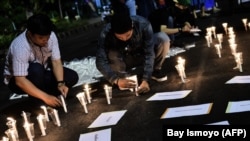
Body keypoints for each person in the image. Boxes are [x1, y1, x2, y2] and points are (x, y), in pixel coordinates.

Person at [3, 14, 79, 107]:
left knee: (71, 77)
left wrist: (60, 83)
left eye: (47, 37)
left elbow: (56, 61)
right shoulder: (20, 46)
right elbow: (20, 81)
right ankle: (39, 102)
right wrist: (46, 97)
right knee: (36, 69)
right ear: (30, 34)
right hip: (18, 80)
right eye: (41, 38)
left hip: (42, 72)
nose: (45, 41)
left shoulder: (50, 36)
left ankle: (46, 94)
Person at [96, 11, 170, 94]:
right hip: (122, 59)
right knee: (111, 53)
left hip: (140, 53)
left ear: (132, 26)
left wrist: (146, 79)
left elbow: (149, 52)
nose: (124, 39)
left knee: (162, 38)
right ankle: (123, 78)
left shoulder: (143, 24)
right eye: (120, 37)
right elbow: (100, 60)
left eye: (128, 35)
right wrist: (115, 80)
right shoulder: (105, 33)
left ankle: (154, 70)